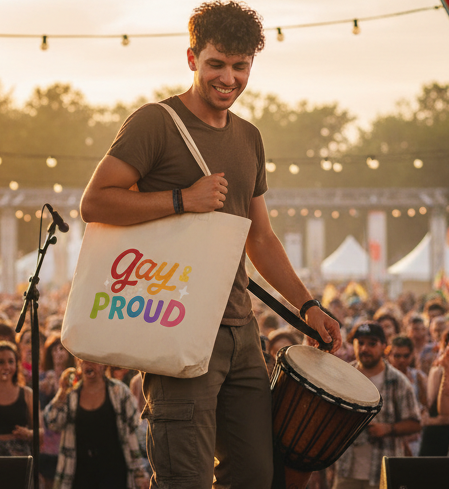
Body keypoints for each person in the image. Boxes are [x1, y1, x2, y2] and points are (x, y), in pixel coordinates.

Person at [80, 2, 341, 488]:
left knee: (255, 475)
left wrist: (307, 306)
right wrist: (182, 199)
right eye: (216, 64)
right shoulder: (154, 122)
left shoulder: (249, 137)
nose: (229, 78)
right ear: (191, 58)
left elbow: (259, 237)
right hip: (175, 325)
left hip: (243, 334)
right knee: (185, 479)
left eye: (240, 66)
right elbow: (94, 203)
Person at [334, 323, 421, 489]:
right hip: (346, 471)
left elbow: (415, 423)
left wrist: (387, 429)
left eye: (372, 343)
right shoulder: (344, 376)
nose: (365, 348)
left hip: (384, 473)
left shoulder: (399, 382)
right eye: (361, 343)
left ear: (384, 347)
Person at [44, 360, 149, 489]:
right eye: (84, 361)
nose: (89, 365)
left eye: (94, 361)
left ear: (104, 364)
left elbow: (132, 432)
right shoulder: (72, 394)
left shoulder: (119, 392)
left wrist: (139, 472)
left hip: (114, 472)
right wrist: (62, 393)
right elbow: (52, 423)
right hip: (80, 473)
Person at [39, 333, 76, 489]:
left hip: (68, 438)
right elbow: (39, 409)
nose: (59, 353)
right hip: (48, 442)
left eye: (62, 349)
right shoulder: (43, 379)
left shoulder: (75, 378)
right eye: (54, 350)